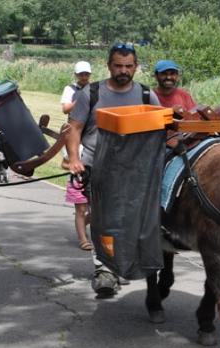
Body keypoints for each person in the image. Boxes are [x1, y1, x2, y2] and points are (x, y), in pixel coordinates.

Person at [66, 43, 161, 296]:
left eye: (129, 66)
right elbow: (74, 128)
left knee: (131, 220)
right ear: (109, 66)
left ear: (136, 67)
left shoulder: (145, 95)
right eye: (118, 65)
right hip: (98, 165)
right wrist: (74, 159)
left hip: (135, 170)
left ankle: (122, 263)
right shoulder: (91, 93)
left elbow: (161, 128)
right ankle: (104, 269)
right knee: (103, 218)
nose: (123, 71)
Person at [59, 61, 93, 252]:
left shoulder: (95, 90)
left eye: (86, 74)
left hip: (91, 137)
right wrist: (80, 102)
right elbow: (65, 109)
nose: (84, 77)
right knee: (80, 204)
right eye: (81, 74)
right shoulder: (70, 89)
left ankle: (84, 225)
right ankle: (82, 237)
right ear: (76, 74)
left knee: (96, 209)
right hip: (76, 135)